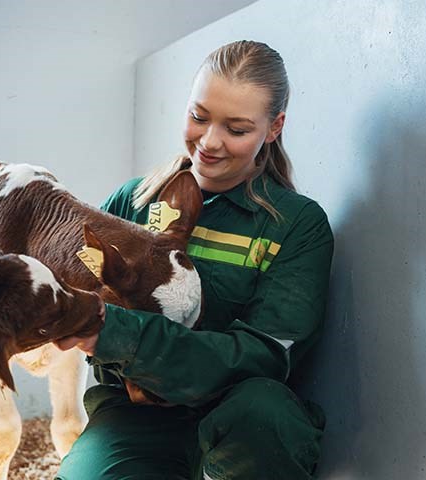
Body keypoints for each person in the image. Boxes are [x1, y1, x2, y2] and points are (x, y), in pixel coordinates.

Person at [54, 40, 334, 480]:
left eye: (236, 129)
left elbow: (266, 354)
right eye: (198, 117)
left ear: (274, 127)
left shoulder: (297, 225)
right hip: (133, 415)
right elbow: (82, 307)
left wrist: (127, 340)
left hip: (242, 420)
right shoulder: (131, 203)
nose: (208, 142)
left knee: (268, 411)